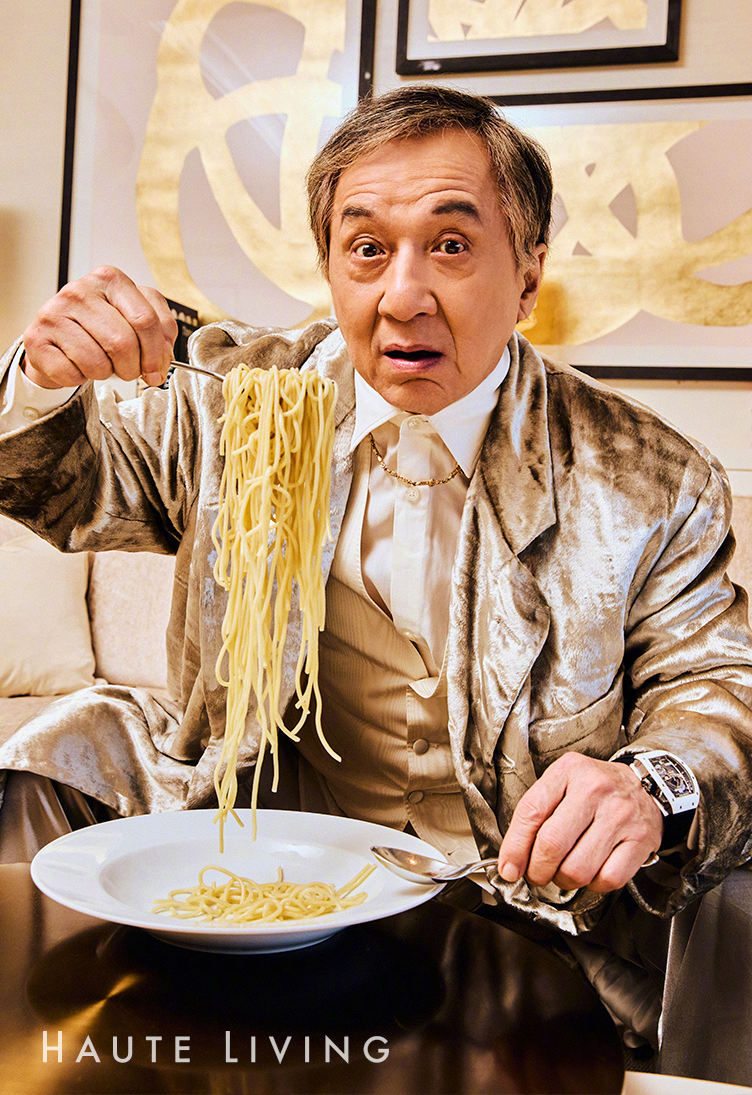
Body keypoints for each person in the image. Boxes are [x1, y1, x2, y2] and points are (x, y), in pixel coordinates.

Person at [1, 85, 752, 1048]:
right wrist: (42, 377)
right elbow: (56, 482)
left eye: (452, 244)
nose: (403, 296)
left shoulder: (645, 475)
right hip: (270, 874)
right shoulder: (239, 405)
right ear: (330, 268)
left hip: (524, 911)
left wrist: (651, 783)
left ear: (528, 279)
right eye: (366, 249)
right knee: (52, 758)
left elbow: (713, 685)